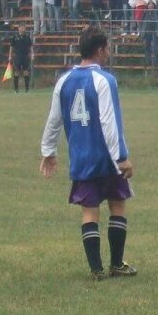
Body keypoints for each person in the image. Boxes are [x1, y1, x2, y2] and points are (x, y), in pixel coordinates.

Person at [39, 26, 137, 281]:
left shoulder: (64, 81)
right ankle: (116, 264)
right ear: (99, 49)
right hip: (106, 158)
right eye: (107, 46)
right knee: (117, 205)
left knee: (89, 211)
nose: (109, 50)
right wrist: (121, 157)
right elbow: (109, 121)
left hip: (82, 158)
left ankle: (96, 270)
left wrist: (48, 150)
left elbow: (53, 119)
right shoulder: (105, 80)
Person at [8, 22, 33, 93]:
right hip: (17, 56)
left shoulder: (27, 37)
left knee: (26, 72)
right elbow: (11, 47)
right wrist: (10, 56)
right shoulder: (15, 37)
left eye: (24, 27)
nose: (23, 29)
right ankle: (16, 89)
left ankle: (27, 89)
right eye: (21, 27)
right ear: (18, 28)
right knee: (16, 72)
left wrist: (32, 54)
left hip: (25, 56)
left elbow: (30, 46)